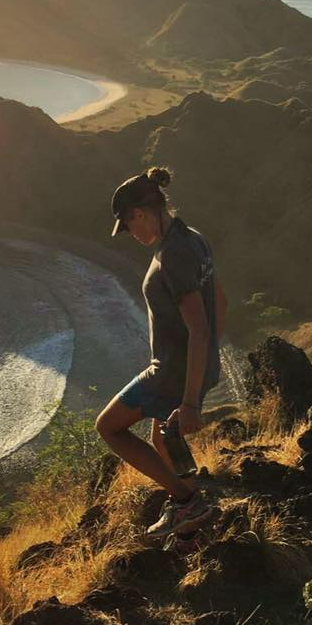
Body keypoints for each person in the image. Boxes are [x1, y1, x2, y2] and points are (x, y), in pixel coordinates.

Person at [95, 166, 227, 539]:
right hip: (190, 367)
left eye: (128, 225)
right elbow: (221, 302)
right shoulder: (195, 239)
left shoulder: (172, 256)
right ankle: (191, 502)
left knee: (108, 427)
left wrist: (189, 402)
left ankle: (186, 501)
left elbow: (197, 327)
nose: (131, 235)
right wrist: (208, 364)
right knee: (162, 437)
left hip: (169, 372)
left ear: (139, 213)